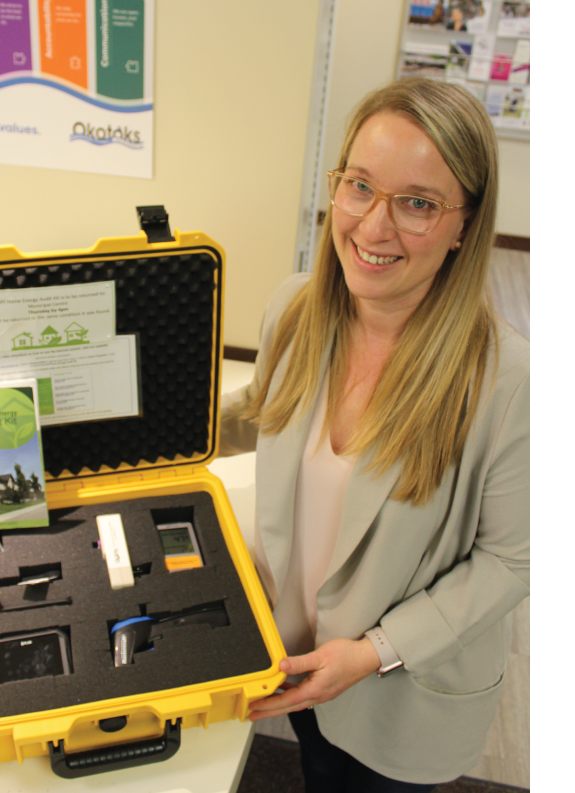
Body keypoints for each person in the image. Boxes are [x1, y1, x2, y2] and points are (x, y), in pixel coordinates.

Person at [219, 77, 529, 792]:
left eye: (418, 203)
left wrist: (374, 652)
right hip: (292, 652)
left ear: (464, 224)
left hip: (397, 697)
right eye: (360, 185)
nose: (373, 225)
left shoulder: (510, 382)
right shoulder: (296, 306)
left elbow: (512, 561)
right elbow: (265, 407)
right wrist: (147, 424)